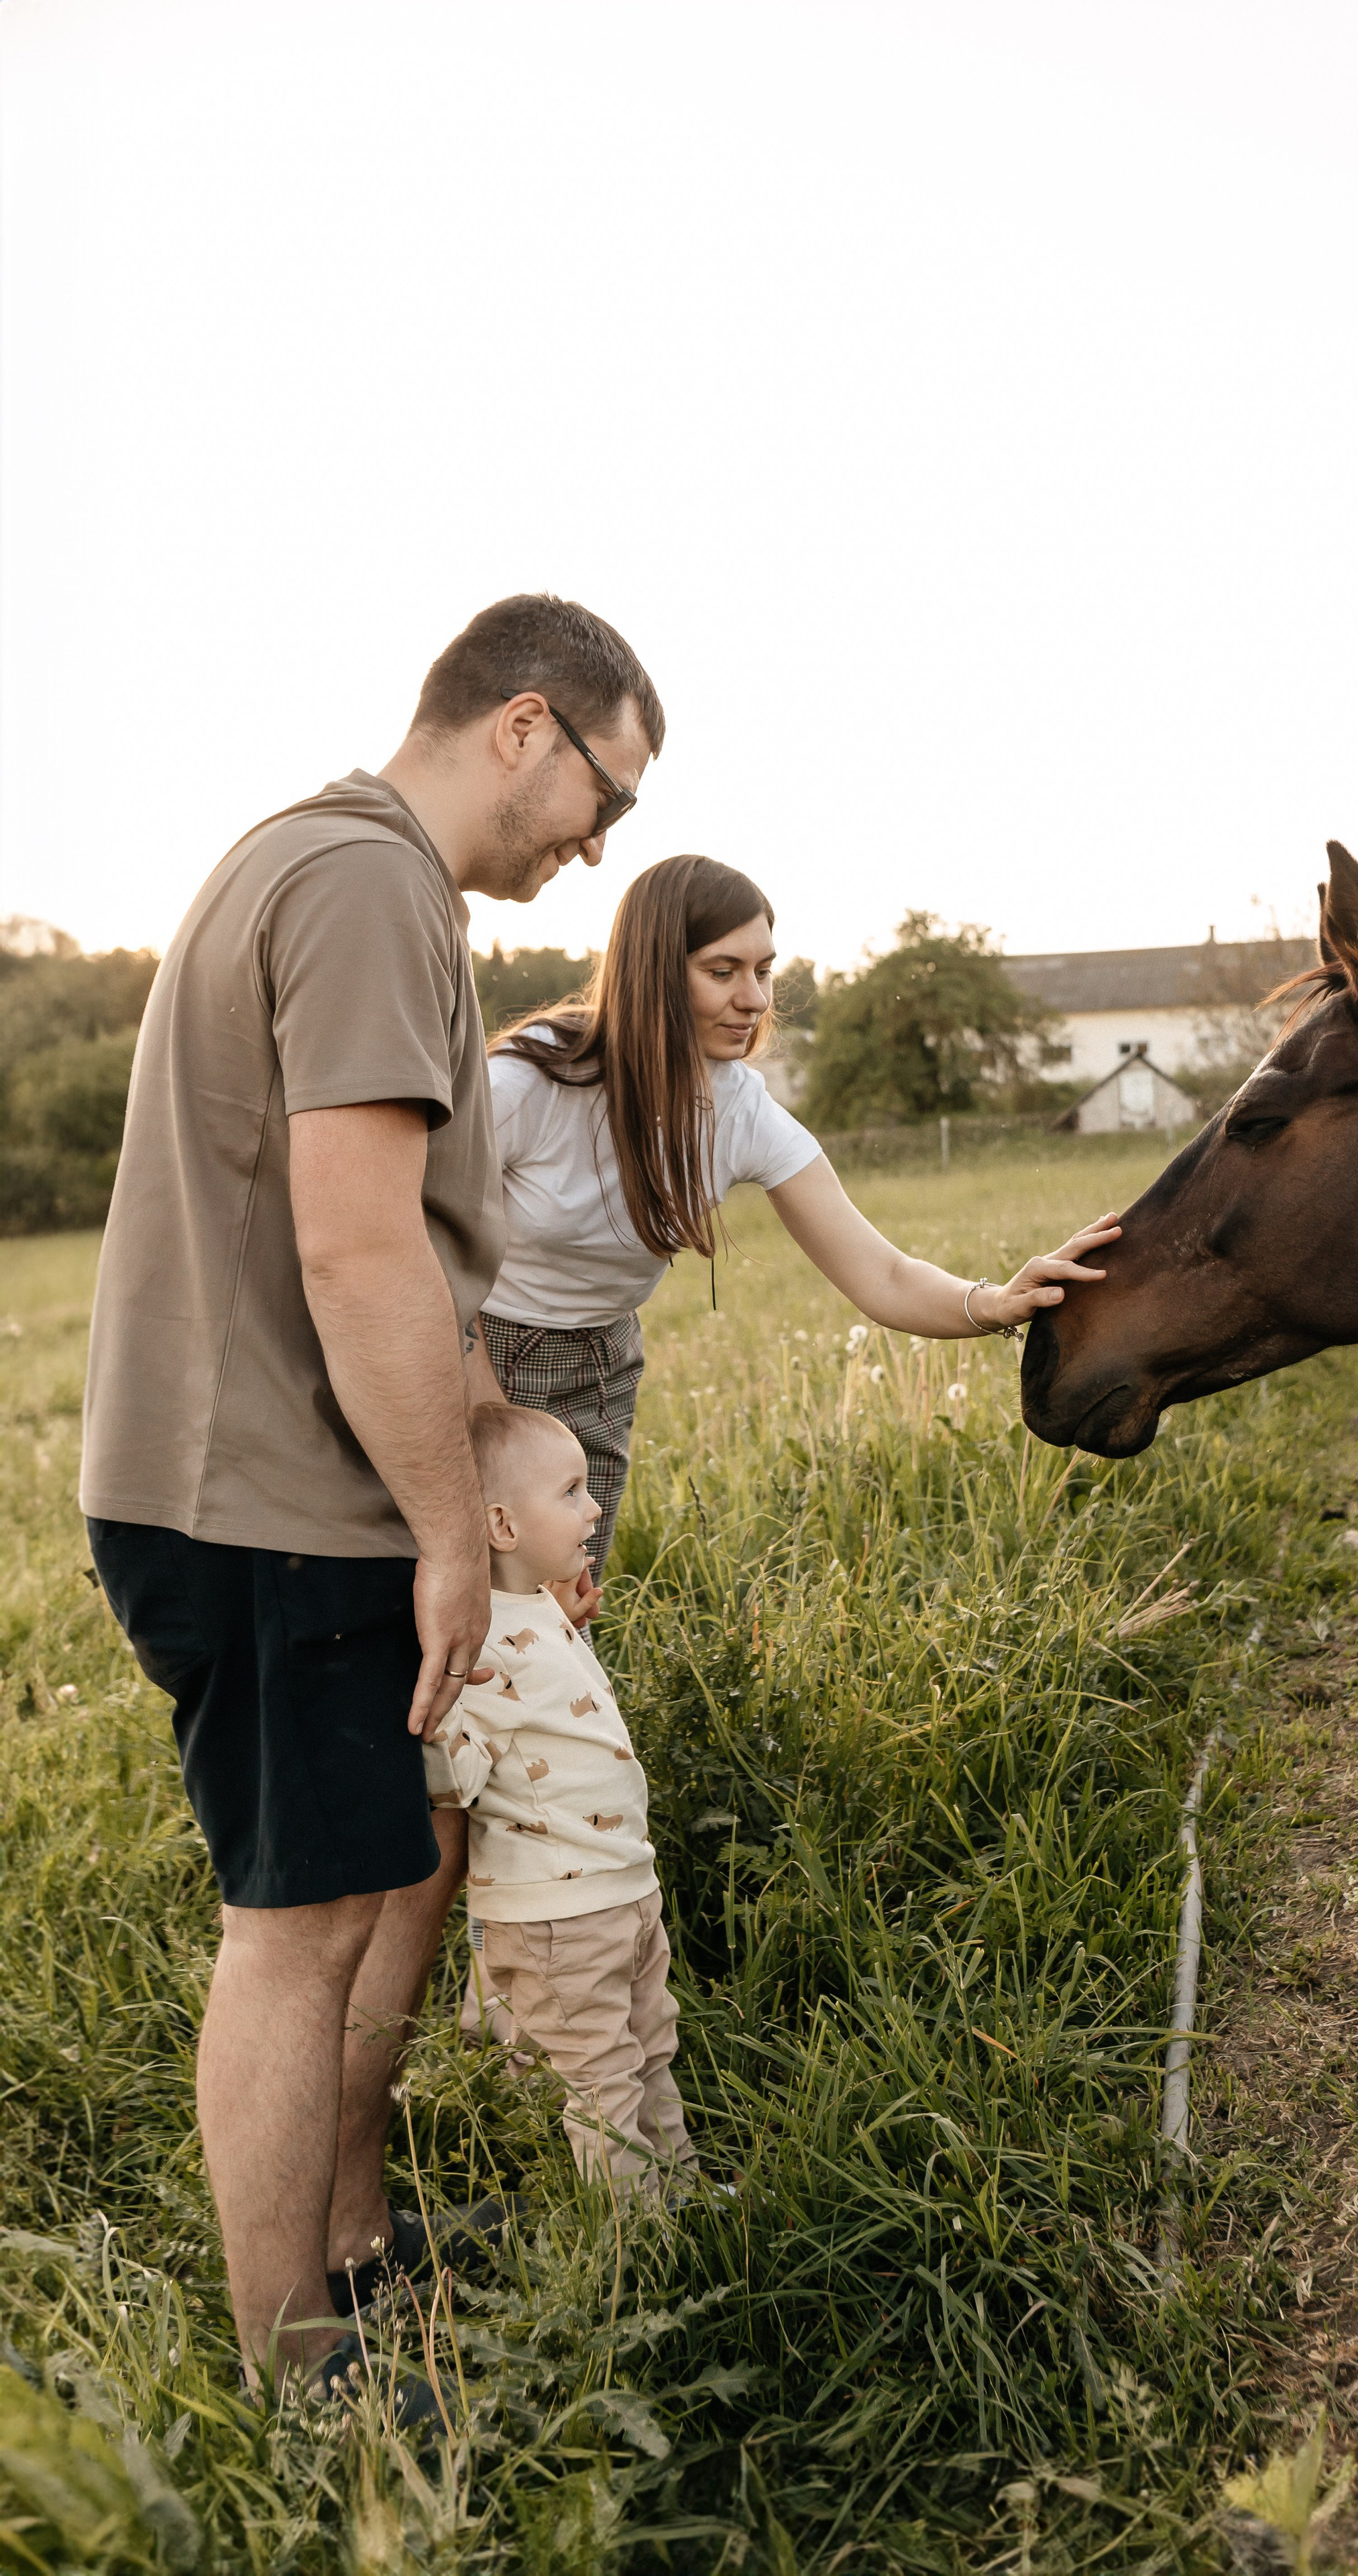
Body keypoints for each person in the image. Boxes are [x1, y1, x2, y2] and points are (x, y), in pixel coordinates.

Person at [79, 592, 663, 2396]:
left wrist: (472, 1426)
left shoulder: (342, 871)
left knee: (363, 1880)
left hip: (269, 1484)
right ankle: (296, 2377)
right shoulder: (362, 887)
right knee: (299, 1926)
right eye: (606, 797)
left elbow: (393, 1236)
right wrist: (443, 1534)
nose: (596, 846)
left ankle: (355, 2245)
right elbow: (352, 1249)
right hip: (257, 1499)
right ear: (525, 724)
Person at [465, 852, 1121, 1580]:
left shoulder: (741, 1111)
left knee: (564, 1602)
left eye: (763, 970)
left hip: (603, 1364)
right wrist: (484, 1408)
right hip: (476, 1348)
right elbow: (413, 1243)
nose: (753, 998)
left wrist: (996, 1301)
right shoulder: (529, 1083)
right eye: (722, 972)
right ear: (652, 971)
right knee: (470, 1599)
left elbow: (884, 1274)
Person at [427, 1405, 693, 2198]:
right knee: (605, 2077)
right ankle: (635, 2242)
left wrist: (563, 1625)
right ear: (502, 1524)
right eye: (573, 1491)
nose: (594, 1507)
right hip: (557, 1914)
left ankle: (681, 2197)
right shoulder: (477, 1644)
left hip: (621, 1889)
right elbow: (455, 1782)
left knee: (651, 2049)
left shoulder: (539, 1608)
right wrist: (437, 1719)